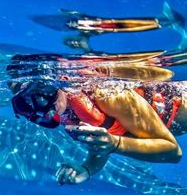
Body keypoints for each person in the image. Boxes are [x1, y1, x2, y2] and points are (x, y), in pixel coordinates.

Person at [9, 79, 186, 185]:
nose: (38, 106)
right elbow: (102, 140)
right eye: (24, 105)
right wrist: (87, 168)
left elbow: (173, 152)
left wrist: (116, 144)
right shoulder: (61, 109)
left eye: (39, 93)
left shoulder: (109, 94)